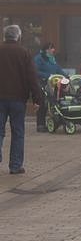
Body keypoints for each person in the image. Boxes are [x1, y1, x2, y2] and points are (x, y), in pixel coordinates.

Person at [0, 24, 42, 175]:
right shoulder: (24, 53)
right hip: (18, 99)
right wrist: (37, 98)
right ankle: (15, 166)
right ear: (18, 36)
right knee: (18, 132)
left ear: (5, 36)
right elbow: (32, 77)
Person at [33, 42, 65, 132]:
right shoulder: (39, 58)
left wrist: (66, 76)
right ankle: (40, 125)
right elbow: (35, 71)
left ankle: (54, 122)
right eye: (51, 48)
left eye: (53, 48)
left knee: (51, 103)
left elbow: (58, 69)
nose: (53, 50)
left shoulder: (52, 59)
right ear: (46, 50)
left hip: (52, 84)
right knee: (42, 104)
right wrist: (48, 75)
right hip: (42, 84)